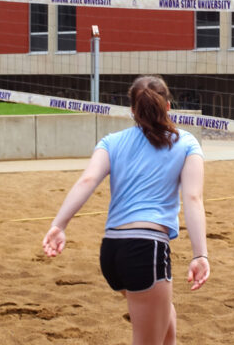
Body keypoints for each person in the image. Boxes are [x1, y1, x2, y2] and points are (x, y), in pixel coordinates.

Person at [43, 75, 209, 345]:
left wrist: (59, 225)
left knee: (166, 322)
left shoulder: (112, 141)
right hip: (145, 250)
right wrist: (200, 254)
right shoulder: (187, 142)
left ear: (132, 111)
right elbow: (192, 198)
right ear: (168, 107)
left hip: (112, 252)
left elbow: (87, 181)